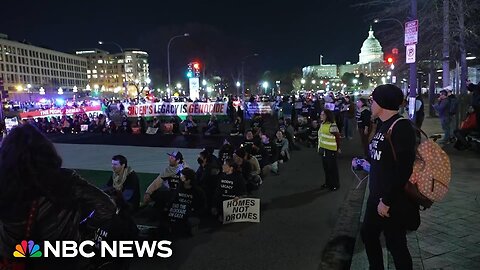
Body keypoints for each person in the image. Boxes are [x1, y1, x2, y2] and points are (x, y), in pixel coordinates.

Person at [0, 124, 116, 268]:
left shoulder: (5, 183)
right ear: (46, 151)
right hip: (63, 258)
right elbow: (106, 207)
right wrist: (85, 227)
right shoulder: (65, 180)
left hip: (16, 258)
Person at [361, 84, 417, 270]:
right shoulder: (382, 125)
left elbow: (403, 168)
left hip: (391, 199)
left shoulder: (401, 127)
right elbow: (382, 159)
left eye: (373, 100)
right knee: (368, 234)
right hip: (376, 196)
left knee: (396, 244)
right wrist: (365, 163)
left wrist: (386, 200)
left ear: (382, 103)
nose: (371, 104)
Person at [164, 168, 206, 237]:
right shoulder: (179, 188)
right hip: (179, 212)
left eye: (182, 177)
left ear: (188, 180)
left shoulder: (198, 192)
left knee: (188, 223)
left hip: (192, 214)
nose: (180, 178)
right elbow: (173, 200)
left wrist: (192, 212)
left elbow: (202, 207)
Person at [317, 109, 341, 191]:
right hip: (323, 149)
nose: (321, 116)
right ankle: (328, 183)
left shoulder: (332, 125)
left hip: (331, 150)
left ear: (327, 116)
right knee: (326, 168)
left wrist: (338, 148)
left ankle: (335, 184)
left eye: (322, 114)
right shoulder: (322, 124)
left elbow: (337, 137)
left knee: (332, 168)